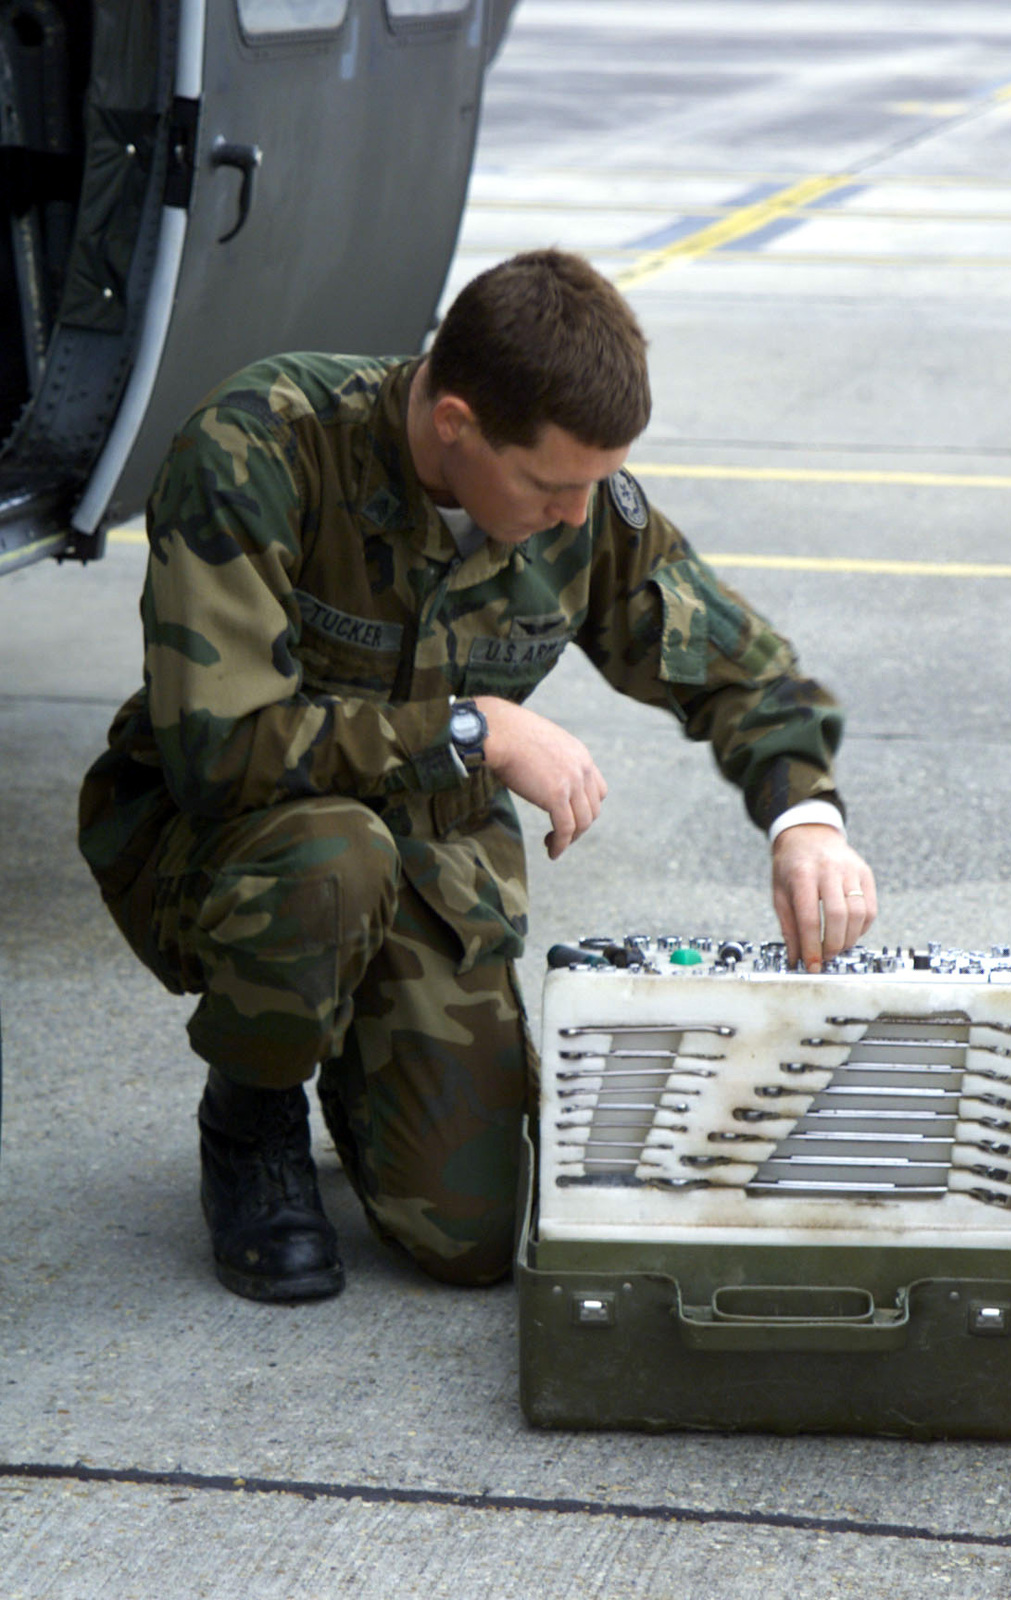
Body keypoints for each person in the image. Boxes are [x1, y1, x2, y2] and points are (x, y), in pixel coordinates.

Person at [78, 249, 877, 1305]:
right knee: (336, 857)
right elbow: (219, 748)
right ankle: (252, 1108)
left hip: (426, 865)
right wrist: (467, 728)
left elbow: (735, 665)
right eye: (550, 485)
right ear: (452, 421)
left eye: (594, 484)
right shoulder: (261, 444)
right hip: (224, 847)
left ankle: (364, 1055)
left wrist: (805, 820)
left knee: (479, 1233)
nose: (572, 516)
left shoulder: (577, 502)